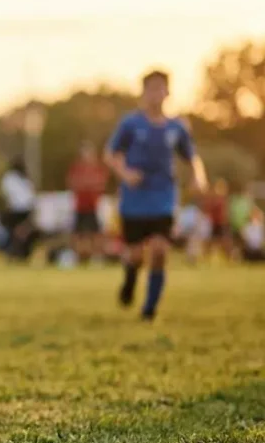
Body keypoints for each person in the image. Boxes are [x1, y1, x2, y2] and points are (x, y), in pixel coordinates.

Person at [105, 70, 208, 321]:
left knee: (160, 250)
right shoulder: (130, 124)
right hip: (135, 199)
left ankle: (149, 309)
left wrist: (198, 177)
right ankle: (130, 278)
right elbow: (110, 154)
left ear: (167, 92)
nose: (156, 93)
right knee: (135, 254)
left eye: (160, 88)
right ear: (143, 93)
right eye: (151, 88)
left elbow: (192, 157)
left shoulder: (177, 127)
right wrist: (126, 173)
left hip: (164, 197)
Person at [67, 140, 109, 263]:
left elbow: (101, 184)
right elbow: (72, 183)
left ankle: (97, 256)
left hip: (93, 206)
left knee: (96, 233)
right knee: (78, 233)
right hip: (80, 206)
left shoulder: (97, 168)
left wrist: (87, 185)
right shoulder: (76, 168)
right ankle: (77, 256)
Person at [0, 158, 37, 261]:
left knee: (12, 230)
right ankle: (21, 252)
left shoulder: (8, 177)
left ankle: (12, 251)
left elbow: (5, 195)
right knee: (23, 230)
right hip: (27, 209)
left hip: (16, 209)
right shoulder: (26, 178)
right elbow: (32, 195)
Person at [202, 179, 232, 262]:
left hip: (221, 223)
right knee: (211, 241)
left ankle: (230, 257)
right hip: (214, 223)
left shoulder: (222, 200)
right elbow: (208, 210)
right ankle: (206, 257)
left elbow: (225, 213)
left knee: (225, 241)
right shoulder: (214, 199)